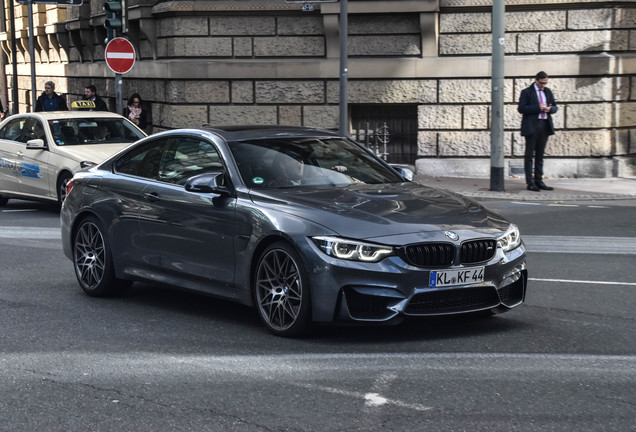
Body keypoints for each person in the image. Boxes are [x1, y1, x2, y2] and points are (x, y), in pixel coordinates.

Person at [518, 71, 558, 192]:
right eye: (541, 83)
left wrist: (550, 109)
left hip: (544, 125)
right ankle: (530, 183)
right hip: (531, 126)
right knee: (529, 155)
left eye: (545, 83)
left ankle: (539, 181)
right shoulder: (526, 92)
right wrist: (537, 107)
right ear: (536, 80)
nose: (543, 85)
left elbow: (555, 107)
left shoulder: (548, 91)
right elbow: (521, 108)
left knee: (540, 156)